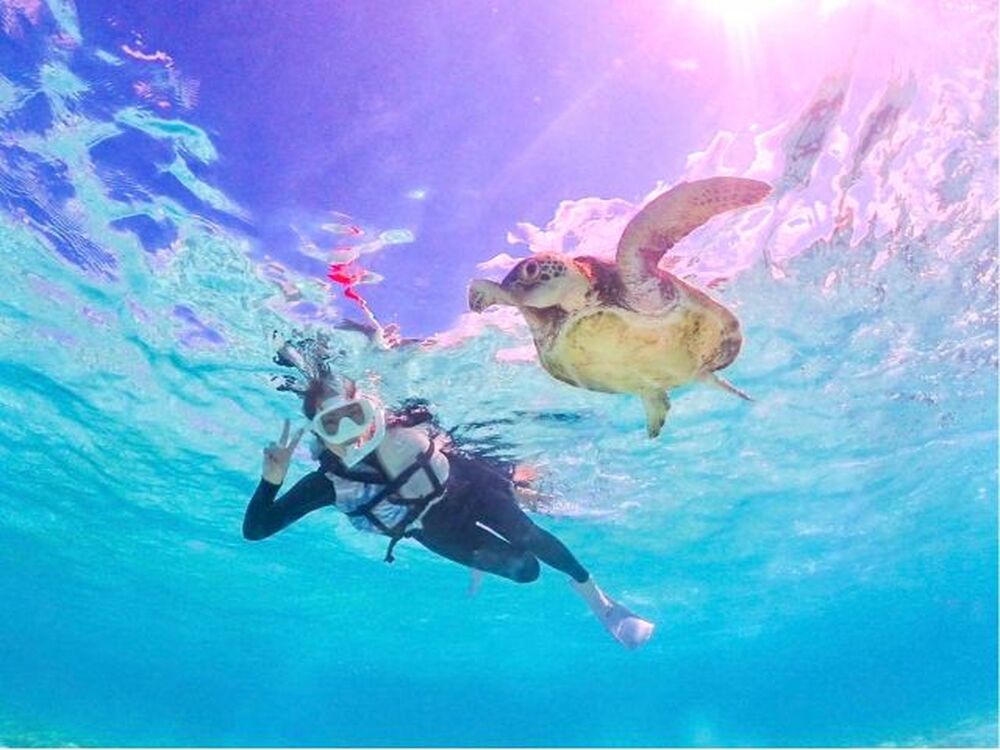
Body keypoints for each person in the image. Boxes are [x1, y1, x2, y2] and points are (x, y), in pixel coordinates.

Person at [242, 338, 654, 649]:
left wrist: (393, 351)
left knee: (527, 534)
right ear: (319, 435)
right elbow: (256, 530)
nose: (353, 432)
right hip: (432, 527)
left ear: (370, 407)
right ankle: (489, 554)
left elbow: (431, 391)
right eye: (334, 425)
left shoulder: (404, 419)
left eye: (356, 414)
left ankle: (600, 603)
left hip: (470, 484)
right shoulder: (328, 483)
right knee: (526, 571)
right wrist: (272, 479)